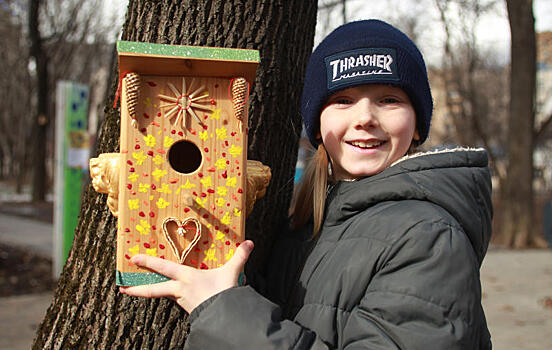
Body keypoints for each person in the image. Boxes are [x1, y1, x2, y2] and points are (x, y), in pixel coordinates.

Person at [120, 19, 493, 349]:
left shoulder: (430, 237)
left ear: (416, 124)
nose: (365, 117)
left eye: (389, 100)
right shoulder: (306, 223)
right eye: (343, 100)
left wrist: (223, 309)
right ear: (317, 126)